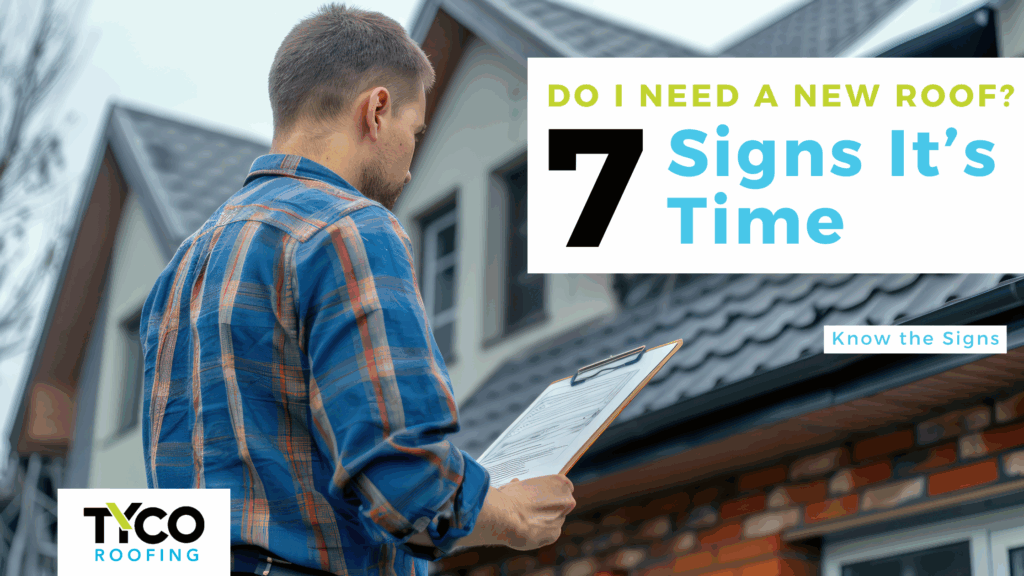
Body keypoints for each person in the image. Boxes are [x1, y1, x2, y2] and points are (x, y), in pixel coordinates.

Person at [139, 4, 575, 576]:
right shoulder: (349, 229)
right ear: (377, 110)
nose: (412, 167)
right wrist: (510, 513)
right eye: (415, 133)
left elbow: (172, 522)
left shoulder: (179, 271)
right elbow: (405, 479)